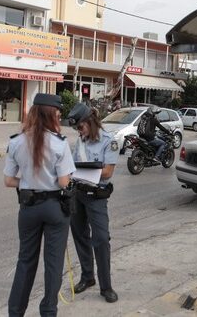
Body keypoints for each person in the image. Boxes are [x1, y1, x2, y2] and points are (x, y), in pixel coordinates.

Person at [3, 93, 76, 317]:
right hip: (55, 208)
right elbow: (64, 181)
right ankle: (48, 311)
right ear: (51, 115)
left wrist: (27, 181)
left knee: (25, 261)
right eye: (58, 114)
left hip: (29, 208)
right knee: (53, 264)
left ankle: (15, 312)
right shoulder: (59, 144)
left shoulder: (15, 141)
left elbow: (8, 181)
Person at [67, 103, 119, 303]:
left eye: (80, 127)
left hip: (96, 197)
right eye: (76, 129)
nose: (78, 131)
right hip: (77, 195)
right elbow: (71, 166)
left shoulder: (108, 141)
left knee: (101, 240)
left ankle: (106, 287)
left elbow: (107, 173)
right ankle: (88, 277)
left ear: (90, 122)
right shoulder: (80, 142)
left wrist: (77, 172)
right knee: (80, 237)